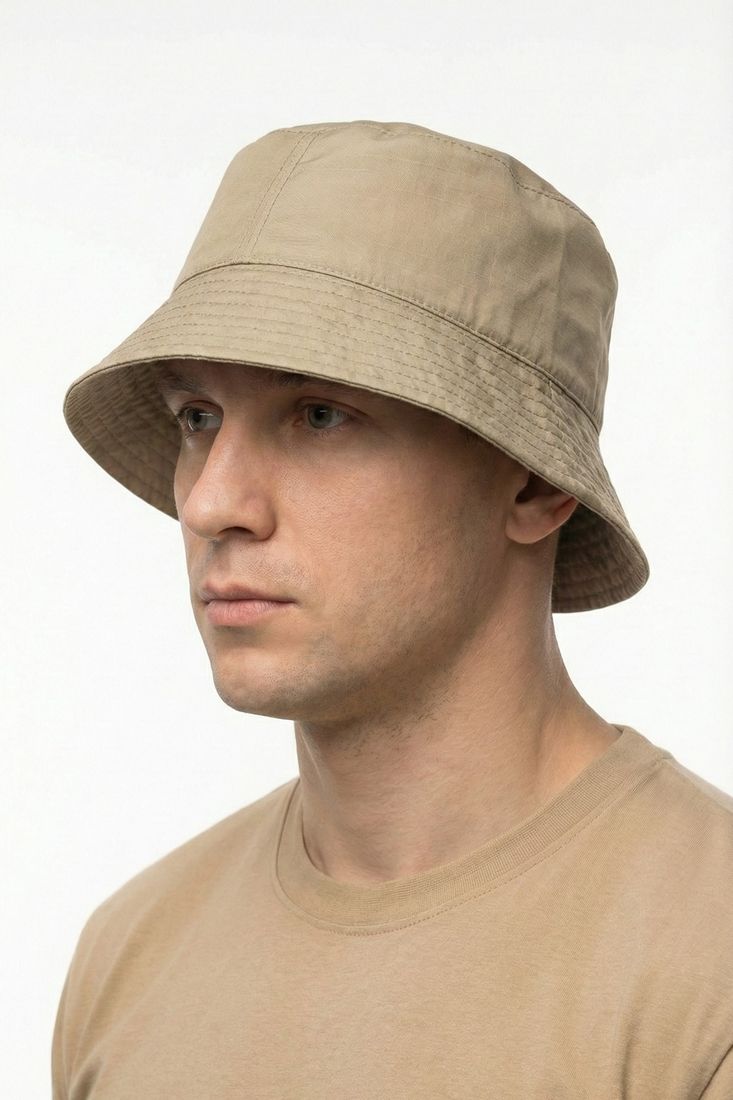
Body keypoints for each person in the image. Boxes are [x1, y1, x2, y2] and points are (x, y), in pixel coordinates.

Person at [52, 119, 733, 1098]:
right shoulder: (130, 954)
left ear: (533, 482)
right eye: (197, 417)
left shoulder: (702, 959)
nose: (209, 503)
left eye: (320, 414)